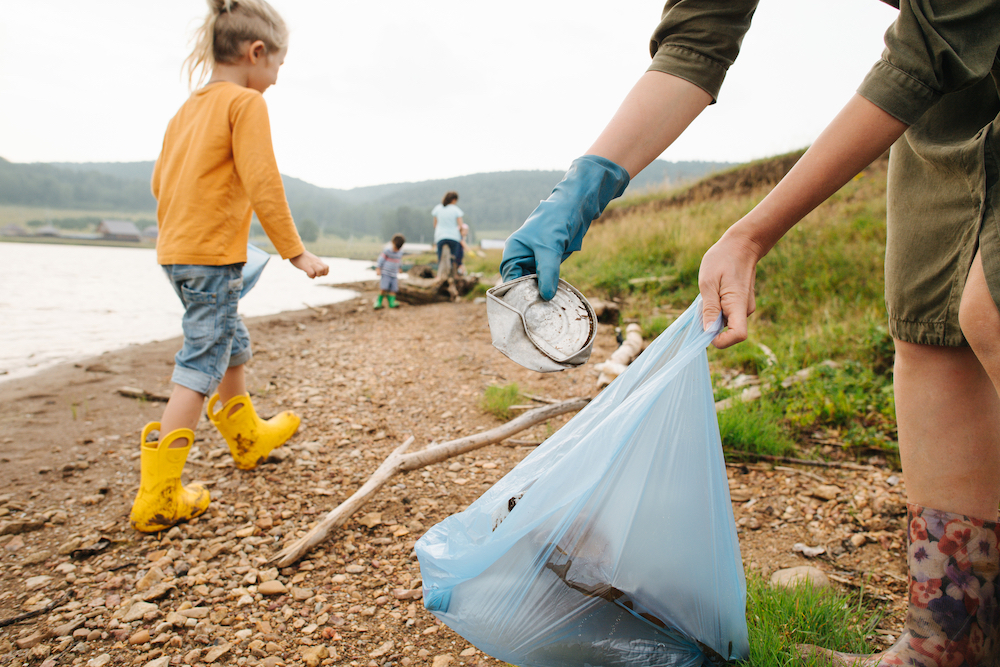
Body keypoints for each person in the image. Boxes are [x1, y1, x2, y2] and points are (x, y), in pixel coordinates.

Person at [500, 2, 1000, 665]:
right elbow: (696, 41)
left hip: (954, 39)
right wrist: (582, 187)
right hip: (952, 97)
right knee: (929, 327)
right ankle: (949, 644)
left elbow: (929, 42)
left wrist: (752, 231)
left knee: (987, 309)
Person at [131, 0, 330, 534]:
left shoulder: (186, 110)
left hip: (176, 252)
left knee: (228, 338)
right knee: (201, 363)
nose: (276, 80)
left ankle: (247, 436)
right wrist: (295, 252)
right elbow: (264, 180)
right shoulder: (245, 104)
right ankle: (160, 495)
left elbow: (159, 183)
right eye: (278, 67)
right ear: (256, 52)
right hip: (211, 256)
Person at [432, 191, 464, 272]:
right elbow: (461, 225)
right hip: (453, 236)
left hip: (440, 236)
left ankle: (440, 274)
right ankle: (454, 274)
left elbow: (435, 225)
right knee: (454, 259)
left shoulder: (438, 208)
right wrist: (460, 232)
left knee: (441, 258)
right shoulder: (456, 209)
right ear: (453, 200)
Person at [375, 233, 405, 309]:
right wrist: (378, 268)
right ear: (393, 243)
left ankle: (392, 302)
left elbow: (399, 261)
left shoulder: (400, 252)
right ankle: (378, 302)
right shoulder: (387, 251)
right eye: (396, 247)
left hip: (394, 274)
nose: (396, 249)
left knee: (393, 289)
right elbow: (381, 259)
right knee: (384, 288)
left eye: (398, 248)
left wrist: (399, 268)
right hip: (386, 273)